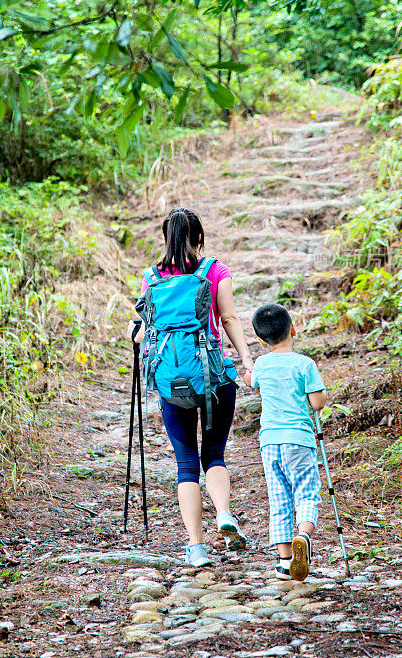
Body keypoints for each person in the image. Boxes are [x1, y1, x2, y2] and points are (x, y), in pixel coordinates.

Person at [128, 207, 253, 567]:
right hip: (213, 375)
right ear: (199, 238)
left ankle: (196, 547)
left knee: (186, 464)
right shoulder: (214, 270)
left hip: (171, 381)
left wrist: (136, 337)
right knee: (213, 453)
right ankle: (225, 513)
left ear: (165, 239)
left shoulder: (152, 277)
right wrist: (245, 359)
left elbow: (143, 329)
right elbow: (228, 317)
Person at [243, 303, 326, 581]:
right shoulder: (305, 364)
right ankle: (303, 536)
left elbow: (250, 381)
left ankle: (284, 562)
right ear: (293, 328)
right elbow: (317, 403)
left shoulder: (262, 364)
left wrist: (243, 373)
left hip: (270, 443)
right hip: (299, 441)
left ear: (260, 340)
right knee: (305, 492)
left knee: (278, 499)